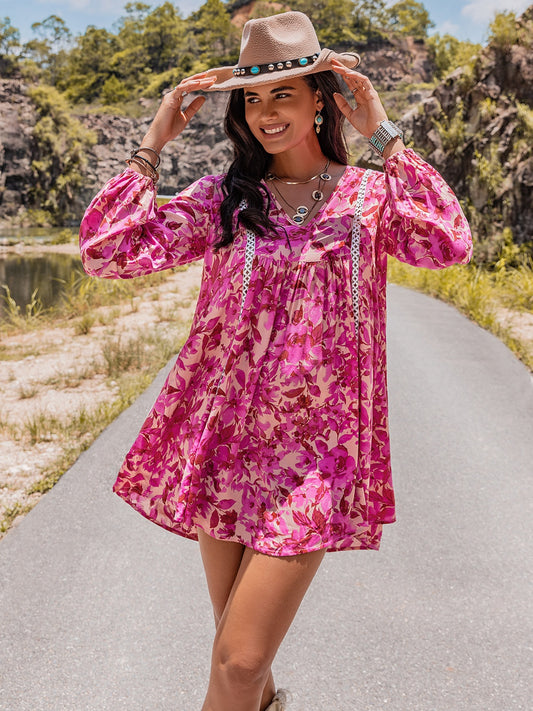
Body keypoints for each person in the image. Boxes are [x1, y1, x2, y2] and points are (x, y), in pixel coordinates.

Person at [79, 11, 472, 711]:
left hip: (317, 458)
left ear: (321, 98)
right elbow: (108, 252)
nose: (265, 114)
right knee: (239, 661)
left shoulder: (369, 199)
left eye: (283, 94)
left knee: (238, 661)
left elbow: (446, 243)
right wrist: (152, 144)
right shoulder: (225, 201)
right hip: (227, 448)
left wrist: (381, 133)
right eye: (252, 99)